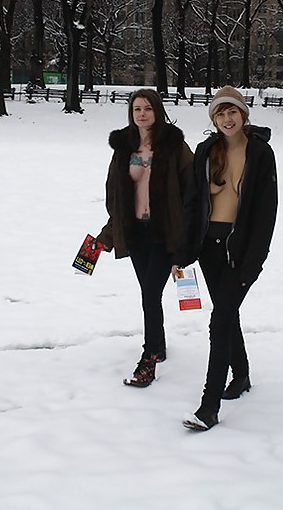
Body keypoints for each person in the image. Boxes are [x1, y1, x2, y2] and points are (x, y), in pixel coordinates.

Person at [179, 86, 278, 431]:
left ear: (244, 114)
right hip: (209, 246)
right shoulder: (206, 150)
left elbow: (267, 211)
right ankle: (243, 375)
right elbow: (193, 203)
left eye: (232, 111)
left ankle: (209, 405)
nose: (227, 119)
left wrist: (254, 260)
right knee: (226, 311)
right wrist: (185, 249)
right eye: (220, 114)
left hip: (242, 250)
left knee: (220, 318)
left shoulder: (262, 153)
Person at [97, 89, 194, 387]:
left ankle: (149, 358)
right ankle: (159, 345)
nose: (142, 114)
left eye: (148, 109)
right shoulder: (123, 147)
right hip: (136, 233)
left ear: (158, 111)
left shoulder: (175, 146)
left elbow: (192, 191)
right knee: (148, 294)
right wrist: (109, 232)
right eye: (137, 109)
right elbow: (114, 193)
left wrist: (189, 236)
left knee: (151, 294)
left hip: (165, 233)